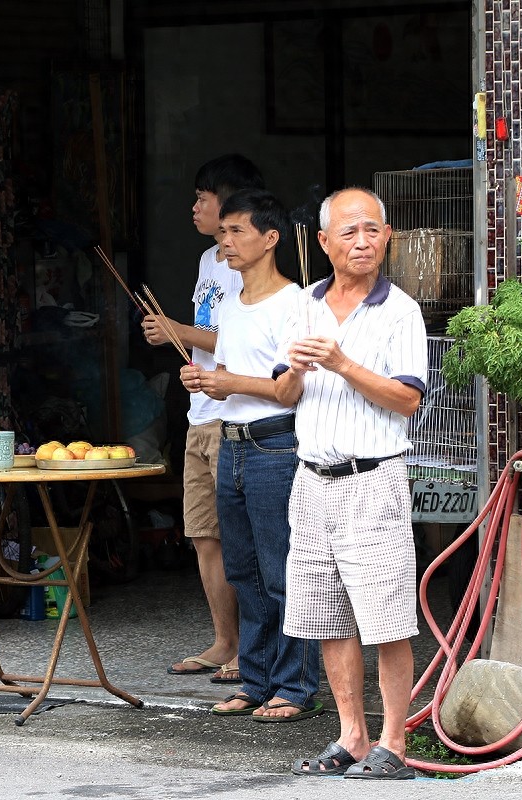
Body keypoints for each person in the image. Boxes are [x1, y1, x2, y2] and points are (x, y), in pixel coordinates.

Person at [275, 188, 426, 778]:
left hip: (373, 479)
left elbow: (408, 399)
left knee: (386, 617)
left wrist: (341, 363)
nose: (362, 242)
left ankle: (394, 744)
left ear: (387, 237)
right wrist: (297, 370)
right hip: (310, 481)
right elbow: (284, 395)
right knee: (325, 615)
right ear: (323, 243)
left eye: (372, 231)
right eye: (349, 232)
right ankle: (353, 736)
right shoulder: (303, 306)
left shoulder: (400, 310)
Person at [181, 188, 321, 722]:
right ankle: (256, 679)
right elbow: (233, 379)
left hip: (276, 443)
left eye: (237, 231)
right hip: (232, 442)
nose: (226, 242)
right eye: (223, 232)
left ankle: (295, 686)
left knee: (283, 569)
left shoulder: (294, 303)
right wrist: (204, 380)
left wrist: (227, 381)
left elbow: (289, 389)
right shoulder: (232, 305)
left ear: (270, 238)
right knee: (243, 569)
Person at [144, 154, 264, 682]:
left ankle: (251, 652)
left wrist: (179, 331)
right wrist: (176, 336)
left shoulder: (249, 265)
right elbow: (206, 336)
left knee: (241, 537)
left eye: (203, 197)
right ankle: (224, 641)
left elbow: (239, 341)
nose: (194, 206)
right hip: (201, 412)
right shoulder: (205, 260)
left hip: (234, 415)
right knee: (203, 535)